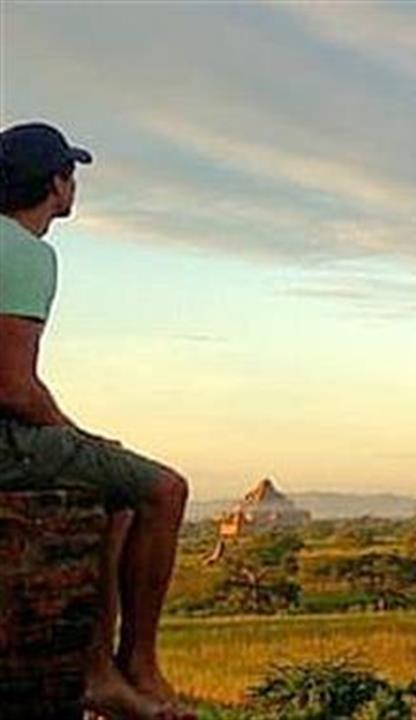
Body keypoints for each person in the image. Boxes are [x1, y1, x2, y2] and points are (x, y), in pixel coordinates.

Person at [0, 122, 194, 720]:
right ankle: (137, 663)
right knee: (164, 488)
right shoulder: (25, 252)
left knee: (118, 493)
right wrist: (69, 433)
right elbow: (12, 386)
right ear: (56, 185)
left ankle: (95, 670)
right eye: (70, 175)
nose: (73, 186)